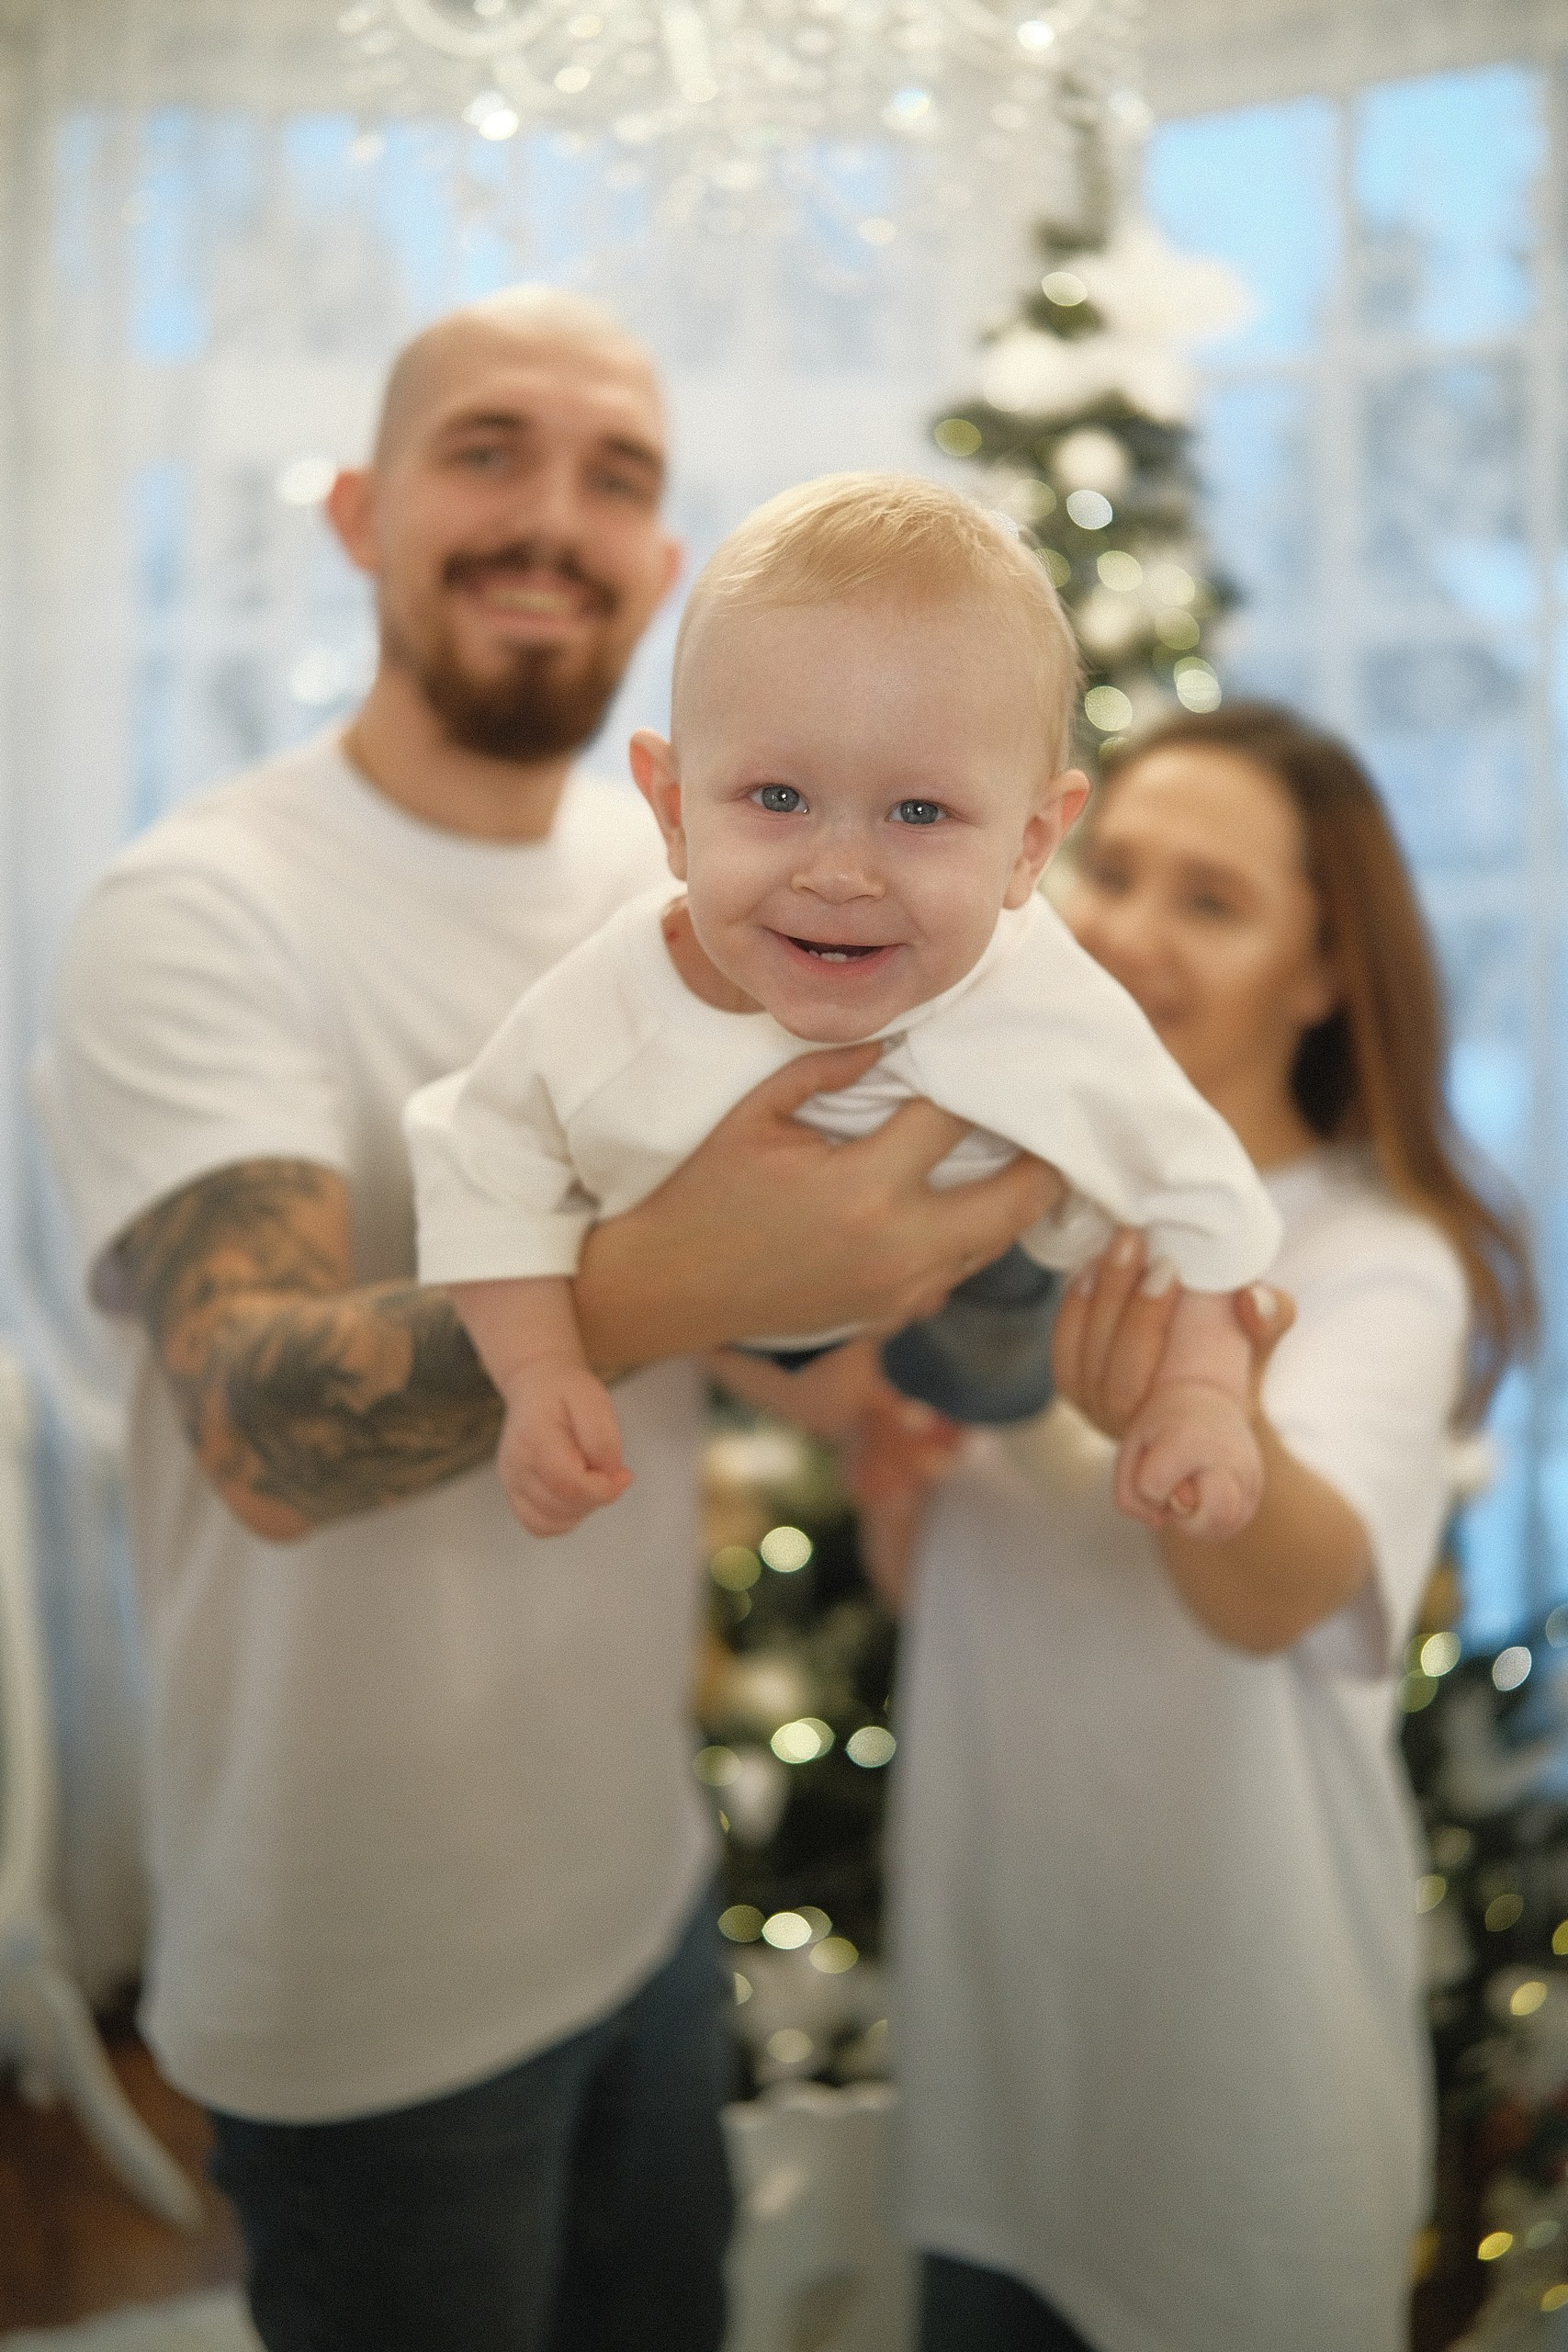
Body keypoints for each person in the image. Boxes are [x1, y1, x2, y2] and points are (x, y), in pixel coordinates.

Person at [28, 289, 1063, 2352]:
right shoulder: (200, 908)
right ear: (356, 513)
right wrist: (708, 1270)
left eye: (614, 477)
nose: (551, 517)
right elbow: (262, 1422)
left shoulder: (681, 884)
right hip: (360, 1965)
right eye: (486, 450)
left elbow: (820, 1297)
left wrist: (914, 1296)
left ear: (663, 571)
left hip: (632, 1883)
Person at [861, 703, 1536, 2352]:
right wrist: (898, 1508)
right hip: (997, 2074)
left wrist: (1175, 1415)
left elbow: (1283, 1600)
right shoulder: (981, 1203)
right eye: (1117, 869)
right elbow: (970, 1589)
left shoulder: (1374, 1255)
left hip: (1236, 2123)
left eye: (1211, 904)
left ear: (1321, 974)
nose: (1128, 932)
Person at [403, 474, 1281, 1546]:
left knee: (1020, 1356)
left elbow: (1189, 1177)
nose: (841, 873)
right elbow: (480, 1154)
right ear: (675, 813)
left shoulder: (1044, 995)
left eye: (920, 811)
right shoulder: (611, 1004)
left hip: (990, 1285)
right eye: (778, 799)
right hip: (730, 1301)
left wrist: (1201, 1393)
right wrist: (539, 1371)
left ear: (1031, 845)